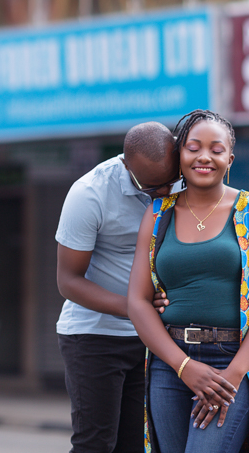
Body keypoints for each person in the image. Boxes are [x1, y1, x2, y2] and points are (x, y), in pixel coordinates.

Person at [127, 110, 249, 453]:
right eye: (193, 147)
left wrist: (233, 373)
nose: (204, 157)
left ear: (230, 157)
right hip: (170, 365)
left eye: (216, 149)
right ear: (179, 155)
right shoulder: (157, 214)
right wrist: (182, 366)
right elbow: (138, 301)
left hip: (233, 363)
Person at [56, 121, 182, 453]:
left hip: (151, 339)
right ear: (126, 165)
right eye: (151, 186)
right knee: (95, 444)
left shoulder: (180, 182)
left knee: (136, 445)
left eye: (169, 183)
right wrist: (136, 308)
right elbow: (68, 282)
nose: (161, 193)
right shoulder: (89, 194)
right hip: (94, 338)